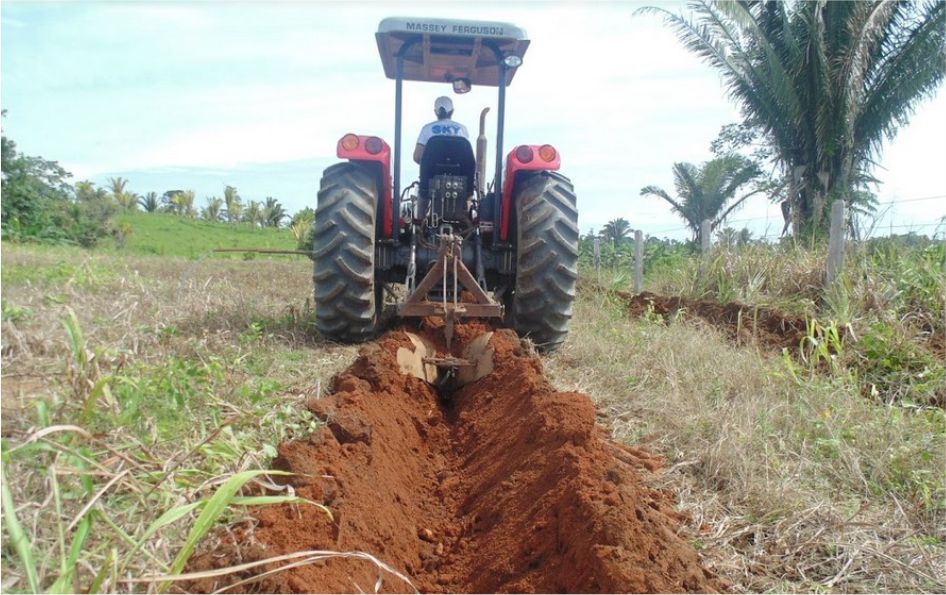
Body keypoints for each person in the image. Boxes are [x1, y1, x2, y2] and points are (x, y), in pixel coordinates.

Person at [413, 96, 470, 164]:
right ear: (452, 111)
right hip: (458, 172)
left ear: (435, 112)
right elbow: (467, 155)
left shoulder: (426, 129)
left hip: (432, 173)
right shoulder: (462, 129)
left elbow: (417, 156)